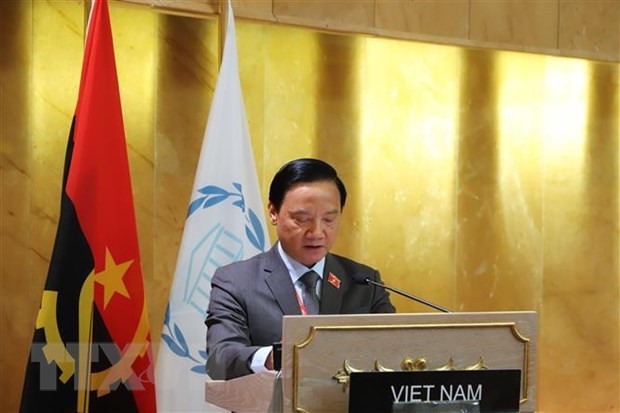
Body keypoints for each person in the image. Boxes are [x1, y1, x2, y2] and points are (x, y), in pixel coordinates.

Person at [205, 158, 395, 380]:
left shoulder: (364, 281)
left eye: (329, 220)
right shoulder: (236, 281)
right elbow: (219, 359)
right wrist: (272, 357)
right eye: (302, 219)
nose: (317, 232)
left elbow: (393, 349)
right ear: (273, 212)